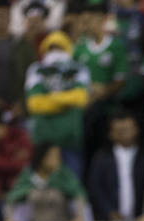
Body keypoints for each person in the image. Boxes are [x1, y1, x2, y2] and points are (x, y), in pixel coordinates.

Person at [25, 31, 90, 179]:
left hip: (70, 139)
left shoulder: (79, 68)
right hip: (43, 140)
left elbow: (81, 98)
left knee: (72, 185)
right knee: (42, 187)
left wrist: (51, 98)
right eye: (51, 48)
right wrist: (66, 101)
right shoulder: (36, 69)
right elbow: (34, 104)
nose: (56, 52)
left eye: (59, 48)